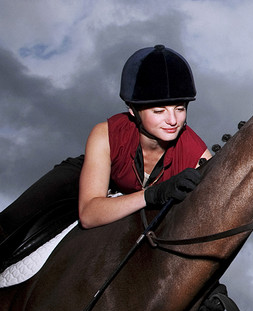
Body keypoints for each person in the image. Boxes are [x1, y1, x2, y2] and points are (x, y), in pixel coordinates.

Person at [0, 45, 211, 268]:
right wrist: (152, 194)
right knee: (11, 222)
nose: (173, 120)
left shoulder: (196, 154)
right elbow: (90, 215)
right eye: (159, 111)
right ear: (133, 110)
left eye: (180, 108)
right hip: (87, 179)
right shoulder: (105, 134)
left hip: (140, 197)